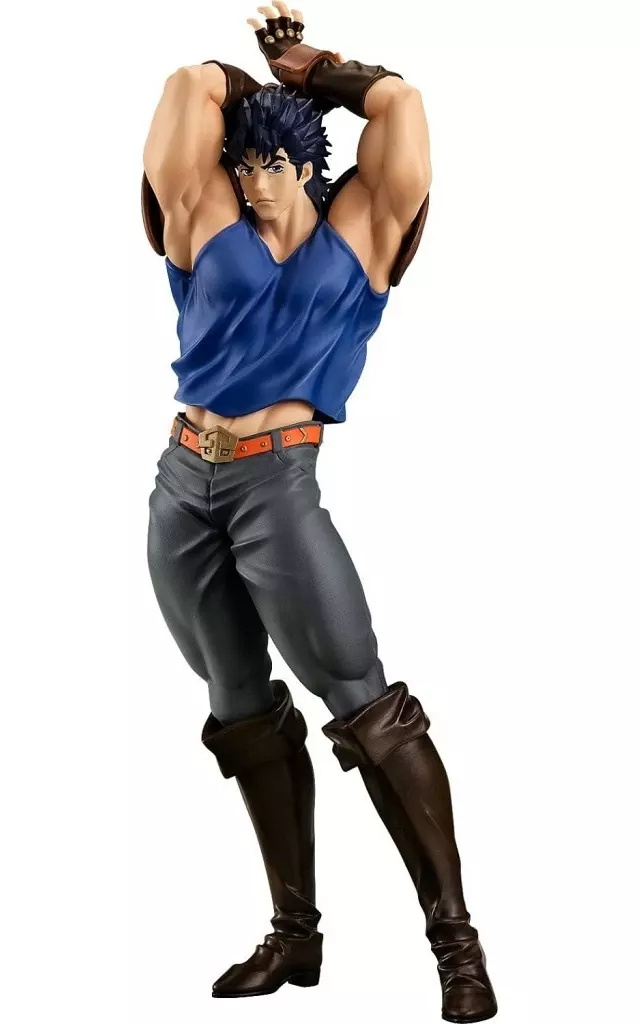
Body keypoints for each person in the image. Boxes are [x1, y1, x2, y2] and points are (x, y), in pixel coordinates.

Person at [141, 4, 497, 1021]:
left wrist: (316, 71)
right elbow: (184, 89)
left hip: (277, 486)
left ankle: (457, 945)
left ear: (306, 169)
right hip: (181, 487)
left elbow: (402, 106)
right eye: (243, 163)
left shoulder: (359, 235)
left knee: (365, 702)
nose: (253, 181)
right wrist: (249, 88)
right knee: (238, 707)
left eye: (272, 165)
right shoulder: (207, 219)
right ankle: (294, 936)